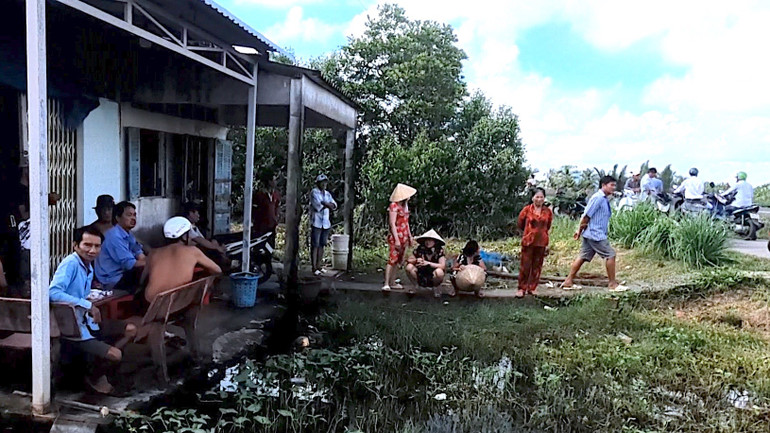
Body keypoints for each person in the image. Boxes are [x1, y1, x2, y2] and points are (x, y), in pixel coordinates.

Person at [49, 226, 137, 394]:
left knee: (131, 329)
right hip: (72, 328)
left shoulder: (88, 265)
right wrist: (88, 305)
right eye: (87, 245)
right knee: (115, 355)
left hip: (87, 322)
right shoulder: (71, 263)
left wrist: (89, 300)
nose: (92, 250)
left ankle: (96, 368)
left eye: (97, 246)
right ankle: (92, 376)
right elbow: (53, 293)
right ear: (76, 245)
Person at [562, 176, 628, 292]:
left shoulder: (604, 199)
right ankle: (612, 284)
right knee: (610, 255)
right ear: (603, 185)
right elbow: (587, 216)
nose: (613, 188)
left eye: (614, 185)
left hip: (592, 233)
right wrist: (579, 230)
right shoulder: (597, 198)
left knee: (582, 257)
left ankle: (568, 281)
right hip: (595, 234)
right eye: (611, 185)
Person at [142, 217, 222, 304]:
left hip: (150, 305)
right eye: (189, 233)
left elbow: (142, 280)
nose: (191, 237)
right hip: (178, 304)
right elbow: (218, 270)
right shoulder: (192, 251)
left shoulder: (153, 253)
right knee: (204, 274)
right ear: (184, 236)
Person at [94, 201, 146, 293]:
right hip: (112, 279)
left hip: (123, 275)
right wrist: (153, 263)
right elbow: (130, 264)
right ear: (118, 218)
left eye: (134, 215)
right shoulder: (114, 236)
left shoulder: (128, 234)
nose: (133, 218)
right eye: (129, 215)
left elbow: (139, 253)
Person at [516, 187, 553, 298]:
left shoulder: (547, 211)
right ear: (532, 198)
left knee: (537, 266)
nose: (539, 199)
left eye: (541, 197)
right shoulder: (527, 210)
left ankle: (532, 287)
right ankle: (521, 288)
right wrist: (528, 232)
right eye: (537, 197)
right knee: (525, 265)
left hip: (541, 241)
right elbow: (520, 224)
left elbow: (548, 225)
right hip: (528, 241)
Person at [383, 183, 416, 292]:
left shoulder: (404, 206)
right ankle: (387, 282)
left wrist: (410, 236)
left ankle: (393, 282)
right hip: (396, 235)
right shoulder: (394, 206)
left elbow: (406, 223)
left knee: (399, 260)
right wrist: (396, 239)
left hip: (404, 235)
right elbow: (392, 223)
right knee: (392, 259)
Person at [309, 174, 337, 276]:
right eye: (322, 182)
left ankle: (319, 265)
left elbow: (334, 205)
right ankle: (314, 267)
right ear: (318, 183)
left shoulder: (328, 194)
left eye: (325, 182)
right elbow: (318, 205)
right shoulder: (314, 192)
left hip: (326, 223)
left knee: (322, 244)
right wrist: (327, 204)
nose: (324, 184)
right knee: (315, 245)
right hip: (316, 222)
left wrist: (327, 204)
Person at [406, 229, 446, 297]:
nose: (428, 242)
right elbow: (409, 259)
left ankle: (435, 287)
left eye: (430, 240)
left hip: (433, 272)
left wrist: (428, 263)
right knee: (409, 267)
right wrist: (416, 260)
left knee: (439, 272)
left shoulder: (439, 250)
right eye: (427, 240)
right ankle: (416, 286)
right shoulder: (420, 248)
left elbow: (442, 266)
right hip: (421, 272)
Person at [252, 171, 281, 243]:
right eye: (274, 180)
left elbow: (277, 207)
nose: (275, 182)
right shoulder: (260, 195)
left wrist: (276, 219)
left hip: (272, 226)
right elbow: (255, 211)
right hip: (261, 227)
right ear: (269, 181)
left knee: (271, 246)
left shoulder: (276, 194)